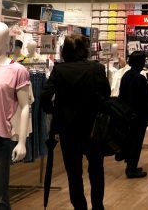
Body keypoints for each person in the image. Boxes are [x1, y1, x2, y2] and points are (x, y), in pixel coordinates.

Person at [41, 34, 111, 210]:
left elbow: (45, 96)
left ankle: (80, 206)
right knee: (96, 169)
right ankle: (98, 206)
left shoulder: (59, 70)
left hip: (68, 129)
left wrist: (55, 111)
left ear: (65, 50)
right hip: (93, 128)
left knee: (74, 173)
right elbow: (106, 94)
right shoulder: (96, 68)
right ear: (84, 49)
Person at [119, 51, 148, 179]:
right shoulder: (140, 78)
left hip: (127, 114)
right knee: (136, 142)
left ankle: (130, 166)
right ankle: (132, 168)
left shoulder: (125, 75)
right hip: (139, 115)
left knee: (130, 141)